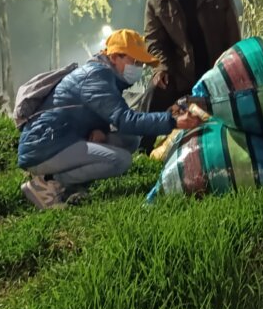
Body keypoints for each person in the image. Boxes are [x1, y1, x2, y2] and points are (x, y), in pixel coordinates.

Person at [17, 28, 201, 210]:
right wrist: (172, 121)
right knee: (121, 160)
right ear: (114, 57)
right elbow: (125, 120)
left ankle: (72, 186)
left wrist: (100, 129)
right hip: (43, 147)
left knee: (129, 139)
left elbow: (94, 112)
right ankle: (48, 184)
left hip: (61, 139)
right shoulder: (96, 76)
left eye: (141, 63)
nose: (139, 68)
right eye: (134, 61)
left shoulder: (105, 76)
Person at [144, 0, 241, 113]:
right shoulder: (155, 3)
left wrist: (233, 63)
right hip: (181, 75)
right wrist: (161, 69)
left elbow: (232, 29)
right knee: (154, 93)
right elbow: (154, 42)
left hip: (218, 69)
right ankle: (142, 139)